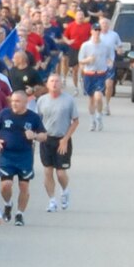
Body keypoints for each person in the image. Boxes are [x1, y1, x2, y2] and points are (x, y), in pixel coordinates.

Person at [0, 90, 48, 226]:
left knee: (23, 186)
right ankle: (8, 204)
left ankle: (20, 214)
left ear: (25, 102)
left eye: (18, 101)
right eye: (13, 101)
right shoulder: (4, 114)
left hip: (24, 156)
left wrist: (34, 135)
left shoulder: (33, 117)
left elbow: (44, 136)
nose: (14, 104)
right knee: (6, 185)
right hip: (7, 155)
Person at [36, 74, 79, 213]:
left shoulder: (68, 100)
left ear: (61, 84)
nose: (54, 84)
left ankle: (65, 191)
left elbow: (75, 121)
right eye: (51, 81)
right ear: (47, 84)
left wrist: (65, 139)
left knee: (60, 173)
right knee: (48, 171)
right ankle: (52, 200)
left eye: (57, 81)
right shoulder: (42, 100)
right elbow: (37, 120)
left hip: (62, 139)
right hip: (47, 139)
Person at [78, 24, 114, 132]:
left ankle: (99, 117)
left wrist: (109, 63)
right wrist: (88, 60)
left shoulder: (105, 45)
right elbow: (80, 60)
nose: (97, 32)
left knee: (98, 96)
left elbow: (110, 58)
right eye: (95, 30)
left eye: (99, 30)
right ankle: (92, 120)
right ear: (91, 32)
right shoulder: (86, 45)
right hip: (89, 74)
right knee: (91, 98)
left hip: (101, 74)